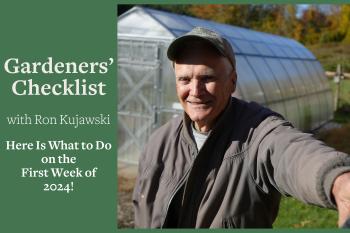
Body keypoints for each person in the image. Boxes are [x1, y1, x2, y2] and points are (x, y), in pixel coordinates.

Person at [132, 26, 350, 228]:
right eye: (185, 79)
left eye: (207, 78)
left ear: (232, 81)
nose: (195, 91)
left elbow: (291, 152)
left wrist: (338, 181)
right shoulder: (159, 142)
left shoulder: (257, 132)